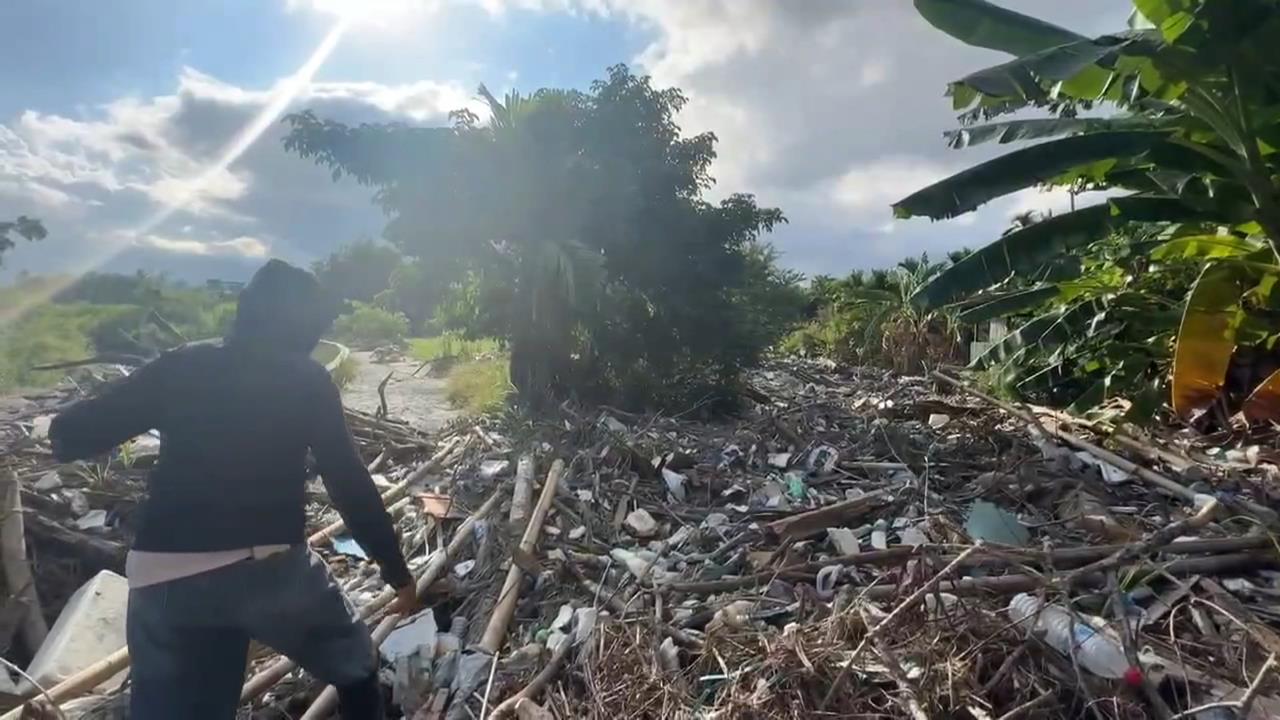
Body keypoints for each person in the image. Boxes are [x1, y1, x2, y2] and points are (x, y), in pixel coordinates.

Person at [49, 259, 416, 719]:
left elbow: (72, 435)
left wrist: (64, 430)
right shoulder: (306, 381)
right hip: (270, 570)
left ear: (245, 310)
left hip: (165, 578)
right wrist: (396, 572)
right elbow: (349, 483)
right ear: (307, 328)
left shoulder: (180, 366)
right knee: (356, 664)